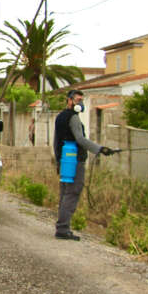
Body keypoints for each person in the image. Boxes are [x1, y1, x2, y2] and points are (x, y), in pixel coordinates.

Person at [53, 89, 115, 240]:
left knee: (64, 193)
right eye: (77, 100)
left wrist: (58, 160)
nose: (79, 103)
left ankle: (62, 226)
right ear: (69, 100)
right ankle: (63, 228)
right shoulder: (73, 118)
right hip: (75, 160)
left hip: (64, 160)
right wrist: (100, 149)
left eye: (81, 100)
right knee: (72, 192)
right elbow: (80, 139)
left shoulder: (60, 117)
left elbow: (56, 141)